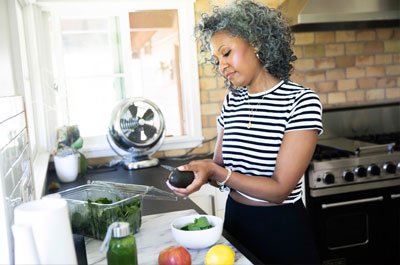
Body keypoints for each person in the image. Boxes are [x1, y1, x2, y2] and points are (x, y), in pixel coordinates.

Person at [166, 0, 323, 264]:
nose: (221, 66)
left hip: (281, 231)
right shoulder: (233, 101)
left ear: (257, 44)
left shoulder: (301, 102)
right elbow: (219, 168)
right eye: (216, 59)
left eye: (227, 53)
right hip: (235, 222)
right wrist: (198, 172)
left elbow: (279, 190)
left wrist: (217, 172)